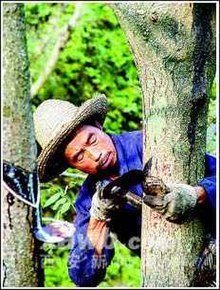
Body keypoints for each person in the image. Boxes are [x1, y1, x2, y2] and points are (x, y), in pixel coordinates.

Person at [33, 94, 216, 287]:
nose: (95, 156)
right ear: (71, 165)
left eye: (92, 140)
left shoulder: (149, 144)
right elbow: (83, 276)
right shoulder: (88, 200)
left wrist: (196, 195)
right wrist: (98, 218)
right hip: (175, 275)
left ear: (97, 125)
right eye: (79, 157)